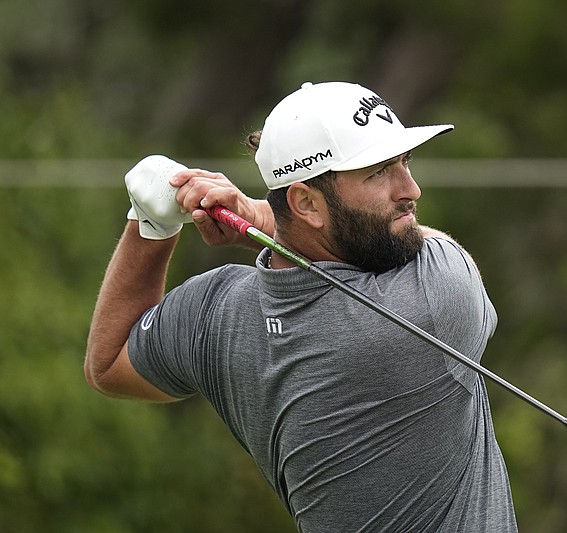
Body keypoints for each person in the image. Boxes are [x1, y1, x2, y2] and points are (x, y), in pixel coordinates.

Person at [85, 81, 518, 532]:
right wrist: (258, 216)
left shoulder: (216, 313)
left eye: (404, 163)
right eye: (378, 172)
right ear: (306, 202)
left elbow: (109, 362)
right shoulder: (434, 300)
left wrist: (150, 224)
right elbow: (424, 240)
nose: (410, 189)